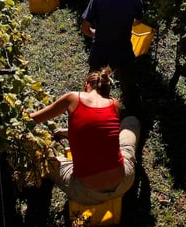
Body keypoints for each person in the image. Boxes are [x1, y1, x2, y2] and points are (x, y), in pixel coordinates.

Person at [28, 67, 140, 205]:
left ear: (86, 85)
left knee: (48, 159)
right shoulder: (114, 104)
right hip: (123, 184)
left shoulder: (72, 98)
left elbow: (32, 119)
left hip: (85, 193)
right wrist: (66, 132)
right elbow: (99, 134)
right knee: (130, 122)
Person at [81, 0, 146, 105]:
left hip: (100, 49)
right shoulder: (136, 1)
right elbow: (136, 22)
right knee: (129, 87)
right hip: (123, 50)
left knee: (93, 87)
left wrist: (95, 33)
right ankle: (131, 112)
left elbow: (85, 28)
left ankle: (92, 110)